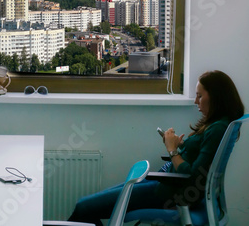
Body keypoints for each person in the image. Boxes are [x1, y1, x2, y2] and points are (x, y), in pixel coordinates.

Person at [68, 70, 245, 226]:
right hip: (166, 184)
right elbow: (202, 161)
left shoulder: (217, 128)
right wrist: (181, 146)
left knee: (83, 207)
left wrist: (172, 150)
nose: (196, 101)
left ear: (216, 96)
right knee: (85, 205)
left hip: (169, 193)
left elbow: (194, 177)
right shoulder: (218, 124)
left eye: (200, 95)